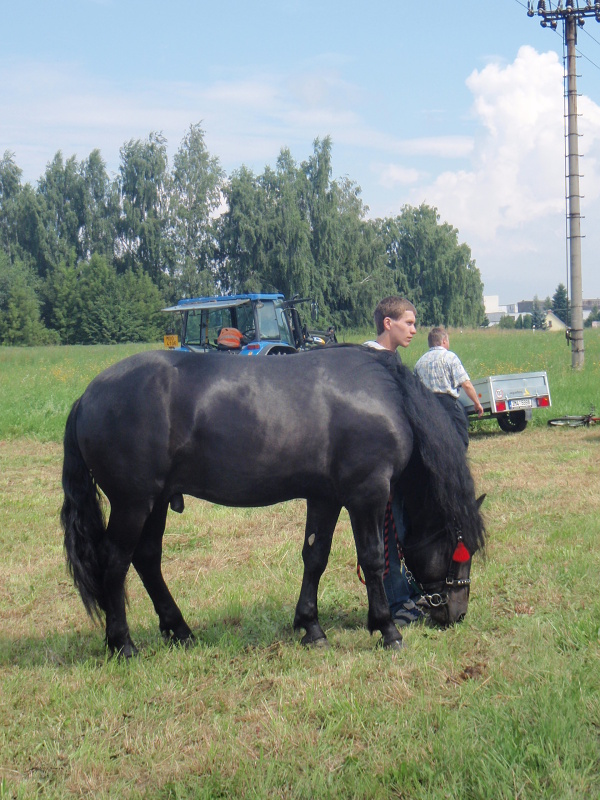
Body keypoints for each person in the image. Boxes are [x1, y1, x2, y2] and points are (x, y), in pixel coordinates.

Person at [363, 296, 424, 627]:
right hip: (377, 470)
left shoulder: (394, 361)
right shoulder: (369, 364)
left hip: (397, 469)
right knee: (385, 535)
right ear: (389, 323)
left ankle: (406, 590)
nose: (414, 329)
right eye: (409, 323)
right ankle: (395, 601)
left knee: (399, 530)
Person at [414, 326, 484, 449]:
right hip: (447, 404)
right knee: (461, 437)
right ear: (444, 341)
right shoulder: (450, 357)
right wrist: (477, 403)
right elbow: (466, 384)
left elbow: (416, 389)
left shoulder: (420, 362)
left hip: (427, 405)